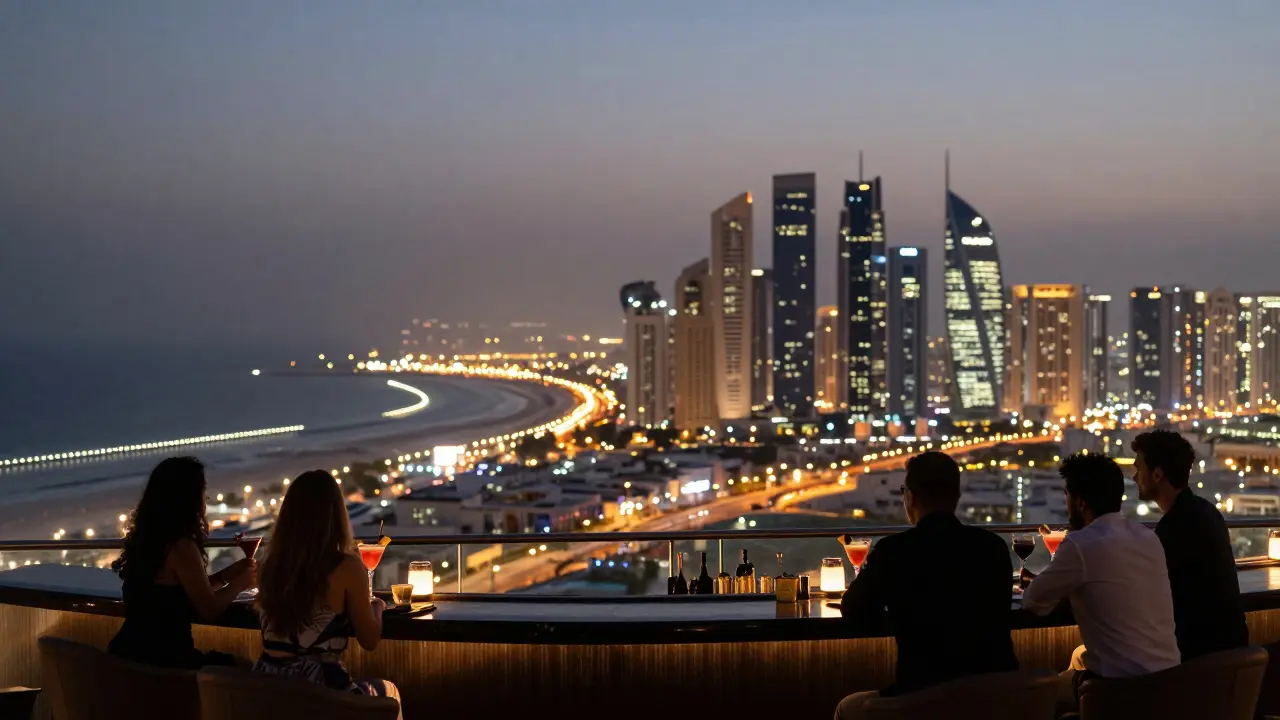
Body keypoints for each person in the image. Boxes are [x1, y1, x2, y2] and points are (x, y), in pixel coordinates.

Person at [835, 452, 1018, 719]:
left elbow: (853, 610)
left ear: (910, 496)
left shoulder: (894, 551)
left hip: (921, 700)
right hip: (998, 699)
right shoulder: (993, 548)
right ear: (957, 495)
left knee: (847, 708)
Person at [1021, 452, 1180, 709]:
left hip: (1119, 694)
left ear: (1080, 502)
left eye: (1067, 496)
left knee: (1034, 693)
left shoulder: (1080, 544)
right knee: (1079, 656)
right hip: (1170, 686)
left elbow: (1033, 602)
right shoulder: (1147, 537)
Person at [254, 470, 400, 716]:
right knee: (388, 691)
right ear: (336, 516)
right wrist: (376, 607)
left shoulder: (269, 564)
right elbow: (369, 639)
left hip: (265, 692)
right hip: (318, 696)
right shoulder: (346, 566)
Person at [109, 457, 256, 668]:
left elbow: (175, 595)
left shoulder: (148, 540)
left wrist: (223, 577)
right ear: (189, 497)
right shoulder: (181, 546)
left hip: (129, 656)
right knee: (245, 668)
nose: (206, 496)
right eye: (203, 490)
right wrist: (242, 583)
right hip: (168, 663)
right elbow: (209, 609)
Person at [1132, 429, 1249, 660]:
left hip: (1196, 665)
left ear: (1157, 474)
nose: (1135, 477)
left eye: (1138, 469)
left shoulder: (1174, 527)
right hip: (1233, 657)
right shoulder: (1206, 511)